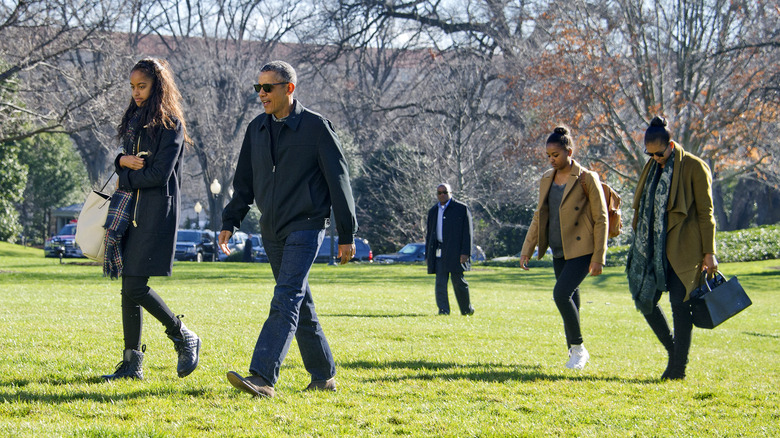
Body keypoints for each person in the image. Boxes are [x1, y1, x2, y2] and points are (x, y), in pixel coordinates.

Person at [220, 61, 357, 398]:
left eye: (268, 88)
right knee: (299, 302)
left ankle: (263, 377)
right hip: (272, 229)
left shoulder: (316, 128)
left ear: (289, 88)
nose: (262, 94)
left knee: (285, 298)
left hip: (308, 226)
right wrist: (229, 221)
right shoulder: (256, 129)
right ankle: (323, 375)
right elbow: (244, 184)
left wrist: (347, 234)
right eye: (258, 88)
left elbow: (339, 183)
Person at [101, 58, 201, 381]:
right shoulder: (134, 120)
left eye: (141, 86)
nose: (136, 93)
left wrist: (126, 175)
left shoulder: (171, 125)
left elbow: (158, 174)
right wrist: (122, 161)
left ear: (157, 85)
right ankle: (132, 363)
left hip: (156, 213)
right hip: (129, 210)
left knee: (135, 285)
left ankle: (182, 334)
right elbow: (124, 161)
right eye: (132, 87)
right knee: (127, 288)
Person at [626, 116, 718, 380]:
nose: (655, 158)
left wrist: (709, 252)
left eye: (659, 153)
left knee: (680, 306)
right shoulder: (651, 168)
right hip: (653, 250)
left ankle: (678, 368)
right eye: (650, 154)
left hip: (685, 249)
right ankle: (674, 351)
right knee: (644, 300)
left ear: (671, 144)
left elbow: (706, 213)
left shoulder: (695, 167)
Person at [519, 126, 608, 370]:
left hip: (583, 249)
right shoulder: (546, 178)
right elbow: (539, 216)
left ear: (569, 151)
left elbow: (601, 219)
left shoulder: (587, 178)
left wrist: (599, 257)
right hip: (558, 249)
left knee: (560, 294)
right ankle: (574, 353)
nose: (551, 159)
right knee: (571, 300)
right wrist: (527, 249)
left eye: (555, 155)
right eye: (548, 155)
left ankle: (579, 350)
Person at [425, 183, 475, 316]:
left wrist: (465, 253)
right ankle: (443, 310)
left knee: (458, 282)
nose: (442, 195)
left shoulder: (461, 209)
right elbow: (429, 235)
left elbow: (468, 233)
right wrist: (428, 254)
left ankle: (466, 310)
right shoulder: (433, 211)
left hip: (456, 252)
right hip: (439, 251)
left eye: (445, 192)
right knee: (440, 283)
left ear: (451, 193)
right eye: (439, 193)